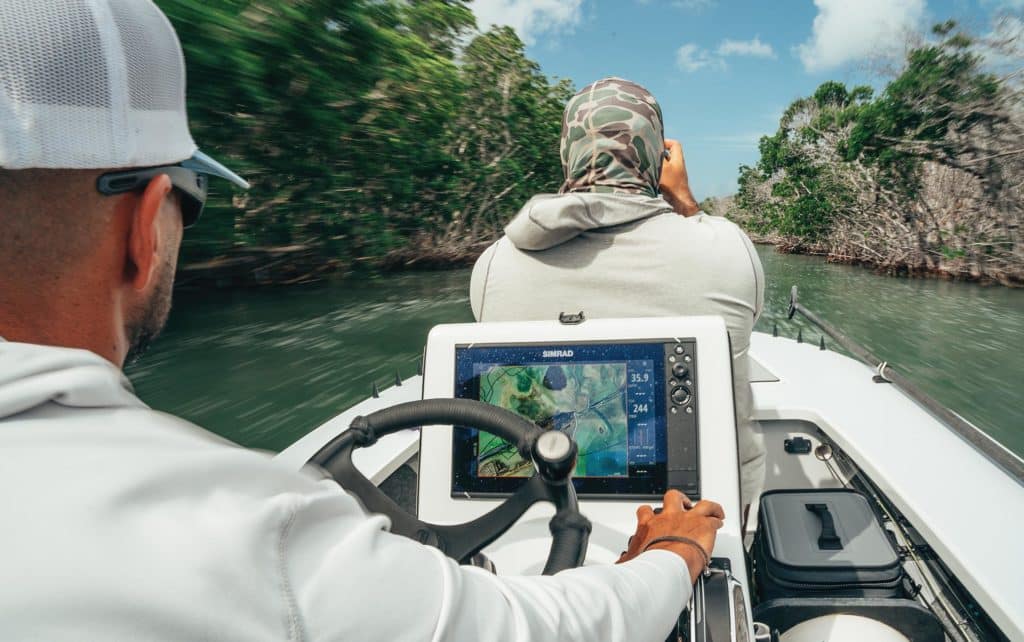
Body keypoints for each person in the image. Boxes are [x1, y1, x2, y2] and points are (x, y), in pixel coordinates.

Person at [0, 3, 724, 640]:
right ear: (143, 228)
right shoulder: (253, 539)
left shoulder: (497, 264)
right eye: (189, 197)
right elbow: (542, 628)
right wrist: (677, 553)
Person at [470, 77, 767, 512]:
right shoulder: (727, 251)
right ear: (658, 158)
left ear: (566, 156)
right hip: (700, 519)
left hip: (538, 510)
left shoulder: (493, 265)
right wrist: (684, 200)